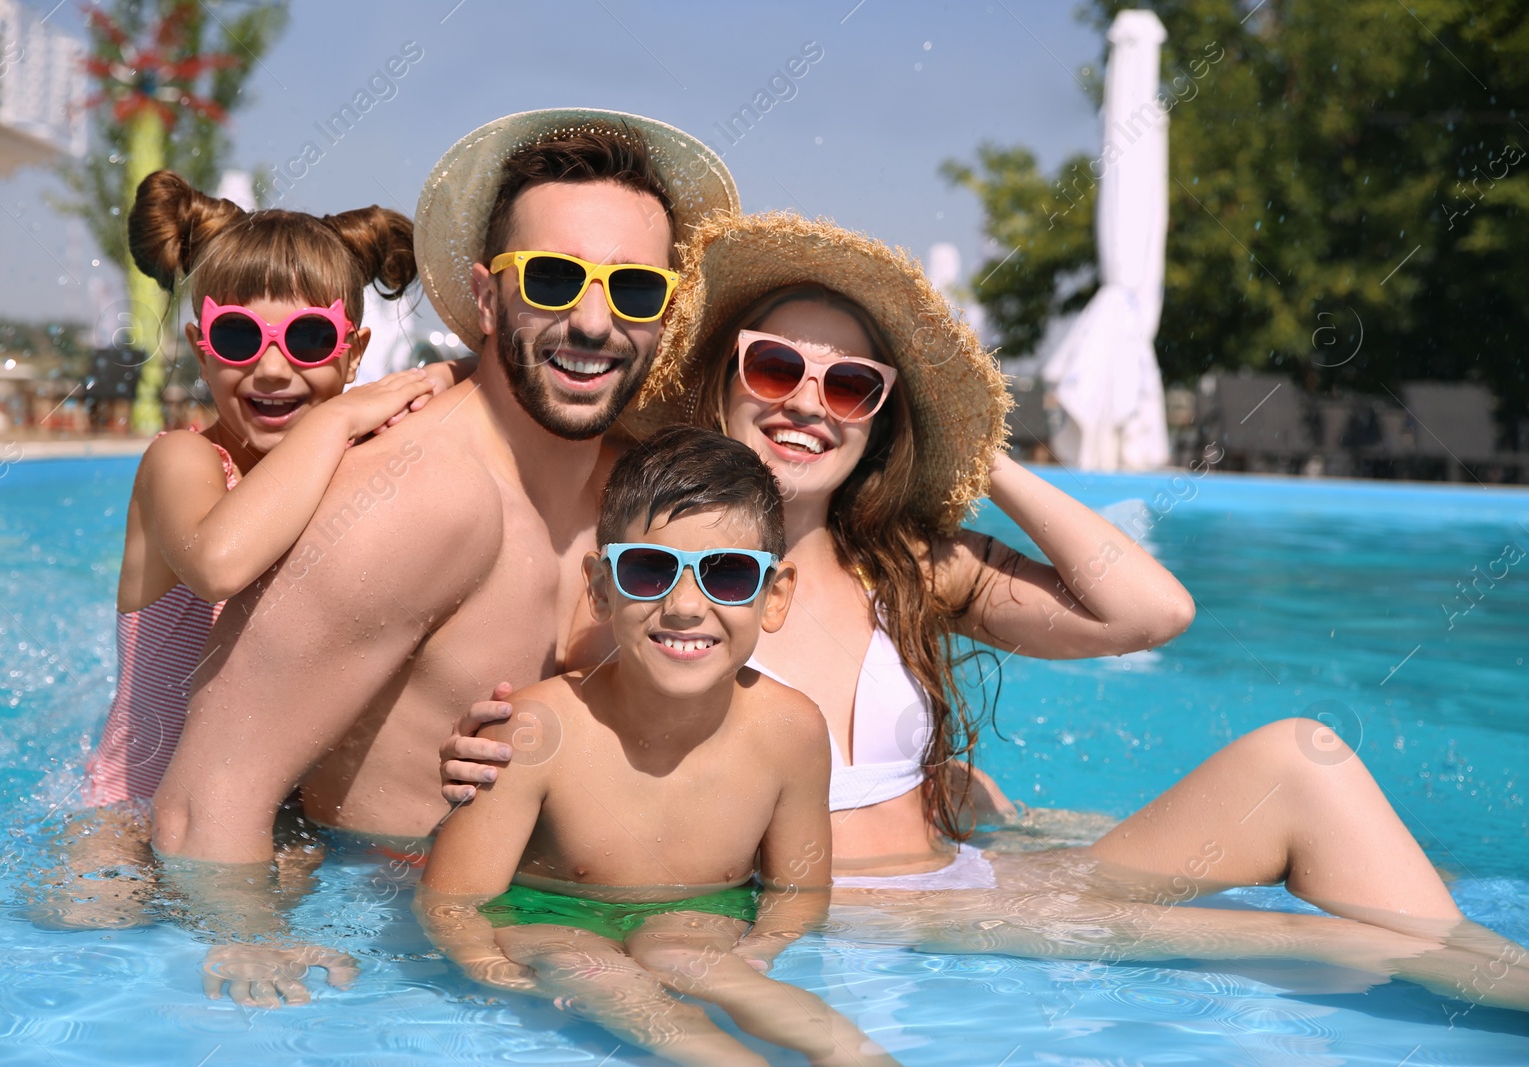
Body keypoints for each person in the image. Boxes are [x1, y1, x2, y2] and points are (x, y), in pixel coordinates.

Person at [443, 211, 1529, 1010]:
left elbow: (1150, 611)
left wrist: (984, 457)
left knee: (1304, 758)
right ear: (722, 380)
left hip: (981, 875)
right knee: (1325, 942)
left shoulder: (909, 564)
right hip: (880, 910)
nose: (806, 403)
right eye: (775, 366)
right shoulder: (648, 584)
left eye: (851, 385)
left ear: (879, 415)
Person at [148, 111, 737, 1005]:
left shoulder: (643, 491)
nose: (592, 322)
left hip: (551, 910)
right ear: (487, 295)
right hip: (380, 937)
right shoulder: (422, 499)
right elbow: (210, 795)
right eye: (552, 279)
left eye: (634, 292)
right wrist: (248, 943)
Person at [419, 425, 896, 1067]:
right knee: (585, 961)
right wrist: (495, 972)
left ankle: (859, 1058)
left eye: (727, 575)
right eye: (648, 568)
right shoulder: (535, 731)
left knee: (687, 956)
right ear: (600, 586)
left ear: (774, 596)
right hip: (548, 918)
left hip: (700, 921)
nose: (684, 607)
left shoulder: (791, 732)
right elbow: (453, 905)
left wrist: (762, 949)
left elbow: (800, 894)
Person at [40, 169, 437, 932]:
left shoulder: (359, 480)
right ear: (200, 345)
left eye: (310, 338)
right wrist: (336, 421)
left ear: (353, 352)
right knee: (89, 913)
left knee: (289, 908)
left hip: (265, 805)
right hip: (136, 798)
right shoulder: (180, 464)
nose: (273, 367)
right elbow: (221, 562)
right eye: (238, 336)